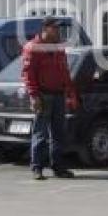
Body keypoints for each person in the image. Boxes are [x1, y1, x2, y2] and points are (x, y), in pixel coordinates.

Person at [22, 17, 76, 181]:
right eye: (55, 28)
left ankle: (58, 167)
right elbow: (28, 74)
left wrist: (70, 93)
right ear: (45, 29)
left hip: (58, 95)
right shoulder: (33, 48)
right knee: (41, 133)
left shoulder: (59, 48)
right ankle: (37, 168)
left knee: (59, 134)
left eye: (58, 29)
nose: (58, 31)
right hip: (43, 96)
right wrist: (33, 96)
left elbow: (65, 72)